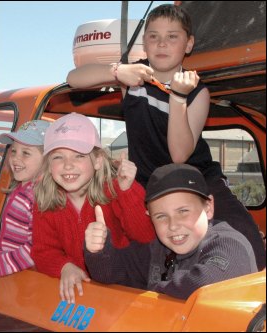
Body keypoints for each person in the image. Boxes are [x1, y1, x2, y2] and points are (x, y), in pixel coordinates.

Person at [66, 4, 265, 270]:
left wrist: (178, 97)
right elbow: (74, 78)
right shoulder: (132, 78)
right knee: (142, 254)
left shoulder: (196, 92)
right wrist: (117, 71)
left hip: (200, 179)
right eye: (153, 36)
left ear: (188, 44)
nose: (162, 43)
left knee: (248, 239)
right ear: (145, 44)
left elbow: (179, 155)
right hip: (149, 185)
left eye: (172, 36)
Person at [31, 112, 155, 304]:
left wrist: (127, 191)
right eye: (58, 157)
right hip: (82, 295)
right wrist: (64, 267)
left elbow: (146, 236)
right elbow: (43, 251)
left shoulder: (115, 191)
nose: (68, 165)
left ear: (97, 161)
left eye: (79, 155)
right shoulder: (45, 202)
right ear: (48, 165)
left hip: (124, 291)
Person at [84, 163, 258, 300]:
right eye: (161, 216)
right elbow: (110, 273)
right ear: (149, 217)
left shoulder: (230, 243)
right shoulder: (156, 248)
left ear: (208, 207)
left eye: (183, 211)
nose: (173, 225)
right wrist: (98, 250)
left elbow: (205, 284)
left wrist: (152, 289)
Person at [0, 120, 50, 279]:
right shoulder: (21, 188)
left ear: (47, 158)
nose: (16, 159)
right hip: (13, 269)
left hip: (26, 277)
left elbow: (34, 249)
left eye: (26, 153)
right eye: (13, 151)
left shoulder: (38, 196)